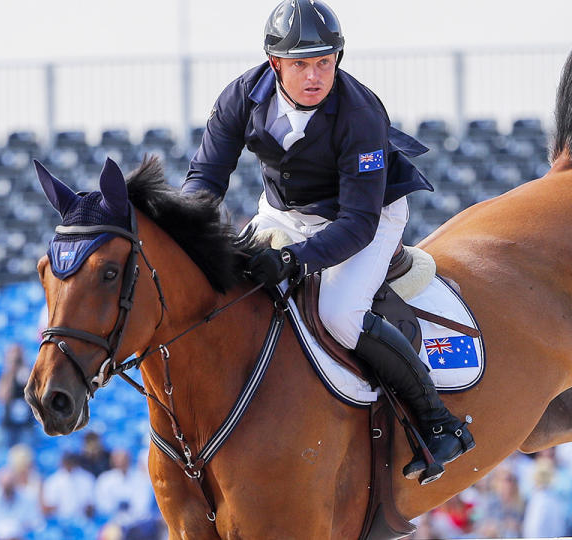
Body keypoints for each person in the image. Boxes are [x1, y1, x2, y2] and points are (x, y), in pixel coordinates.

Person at [181, 0, 472, 484]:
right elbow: (206, 178)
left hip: (368, 213)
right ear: (275, 64)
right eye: (300, 64)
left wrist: (296, 260)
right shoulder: (239, 97)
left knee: (339, 313)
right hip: (285, 210)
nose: (314, 76)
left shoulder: (358, 111)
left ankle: (437, 421)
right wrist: (186, 230)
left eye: (324, 61)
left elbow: (357, 222)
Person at [93, 449, 154, 521]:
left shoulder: (141, 478)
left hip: (137, 522)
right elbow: (103, 506)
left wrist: (129, 518)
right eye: (118, 460)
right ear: (112, 461)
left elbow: (142, 507)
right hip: (111, 521)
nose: (121, 463)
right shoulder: (104, 479)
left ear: (129, 460)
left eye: (124, 460)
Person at [0, 344, 35, 446]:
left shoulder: (28, 371)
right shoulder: (5, 374)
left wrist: (23, 366)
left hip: (27, 422)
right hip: (8, 423)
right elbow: (2, 396)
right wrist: (10, 370)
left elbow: (33, 392)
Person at [41, 452, 96, 520]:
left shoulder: (87, 478)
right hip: (60, 521)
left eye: (71, 462)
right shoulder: (53, 481)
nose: (69, 465)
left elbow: (91, 504)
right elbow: (48, 507)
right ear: (62, 463)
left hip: (82, 520)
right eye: (67, 462)